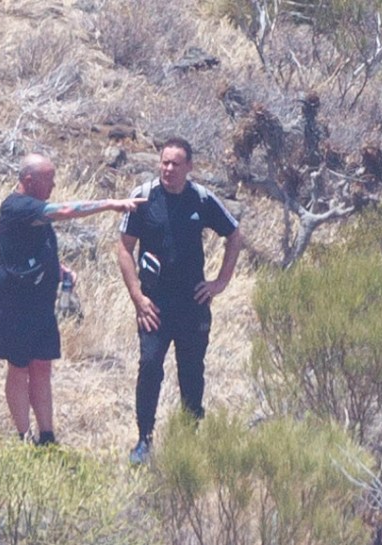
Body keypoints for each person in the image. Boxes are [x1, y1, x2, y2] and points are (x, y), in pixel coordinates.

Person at [0, 153, 146, 446]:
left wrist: (57, 269)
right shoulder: (17, 206)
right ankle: (23, 436)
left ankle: (47, 436)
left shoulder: (31, 209)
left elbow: (24, 247)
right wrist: (108, 204)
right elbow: (63, 210)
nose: (54, 184)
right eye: (49, 179)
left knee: (42, 365)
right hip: (14, 302)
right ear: (29, 180)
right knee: (19, 366)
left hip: (39, 302)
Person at [117, 136, 245, 464]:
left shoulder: (201, 199)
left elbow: (234, 236)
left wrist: (219, 283)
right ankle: (144, 440)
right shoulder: (143, 197)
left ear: (189, 167)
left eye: (176, 163)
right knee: (149, 367)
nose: (168, 169)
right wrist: (137, 297)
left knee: (191, 371)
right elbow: (124, 248)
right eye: (164, 162)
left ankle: (190, 440)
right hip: (154, 307)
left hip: (192, 304)